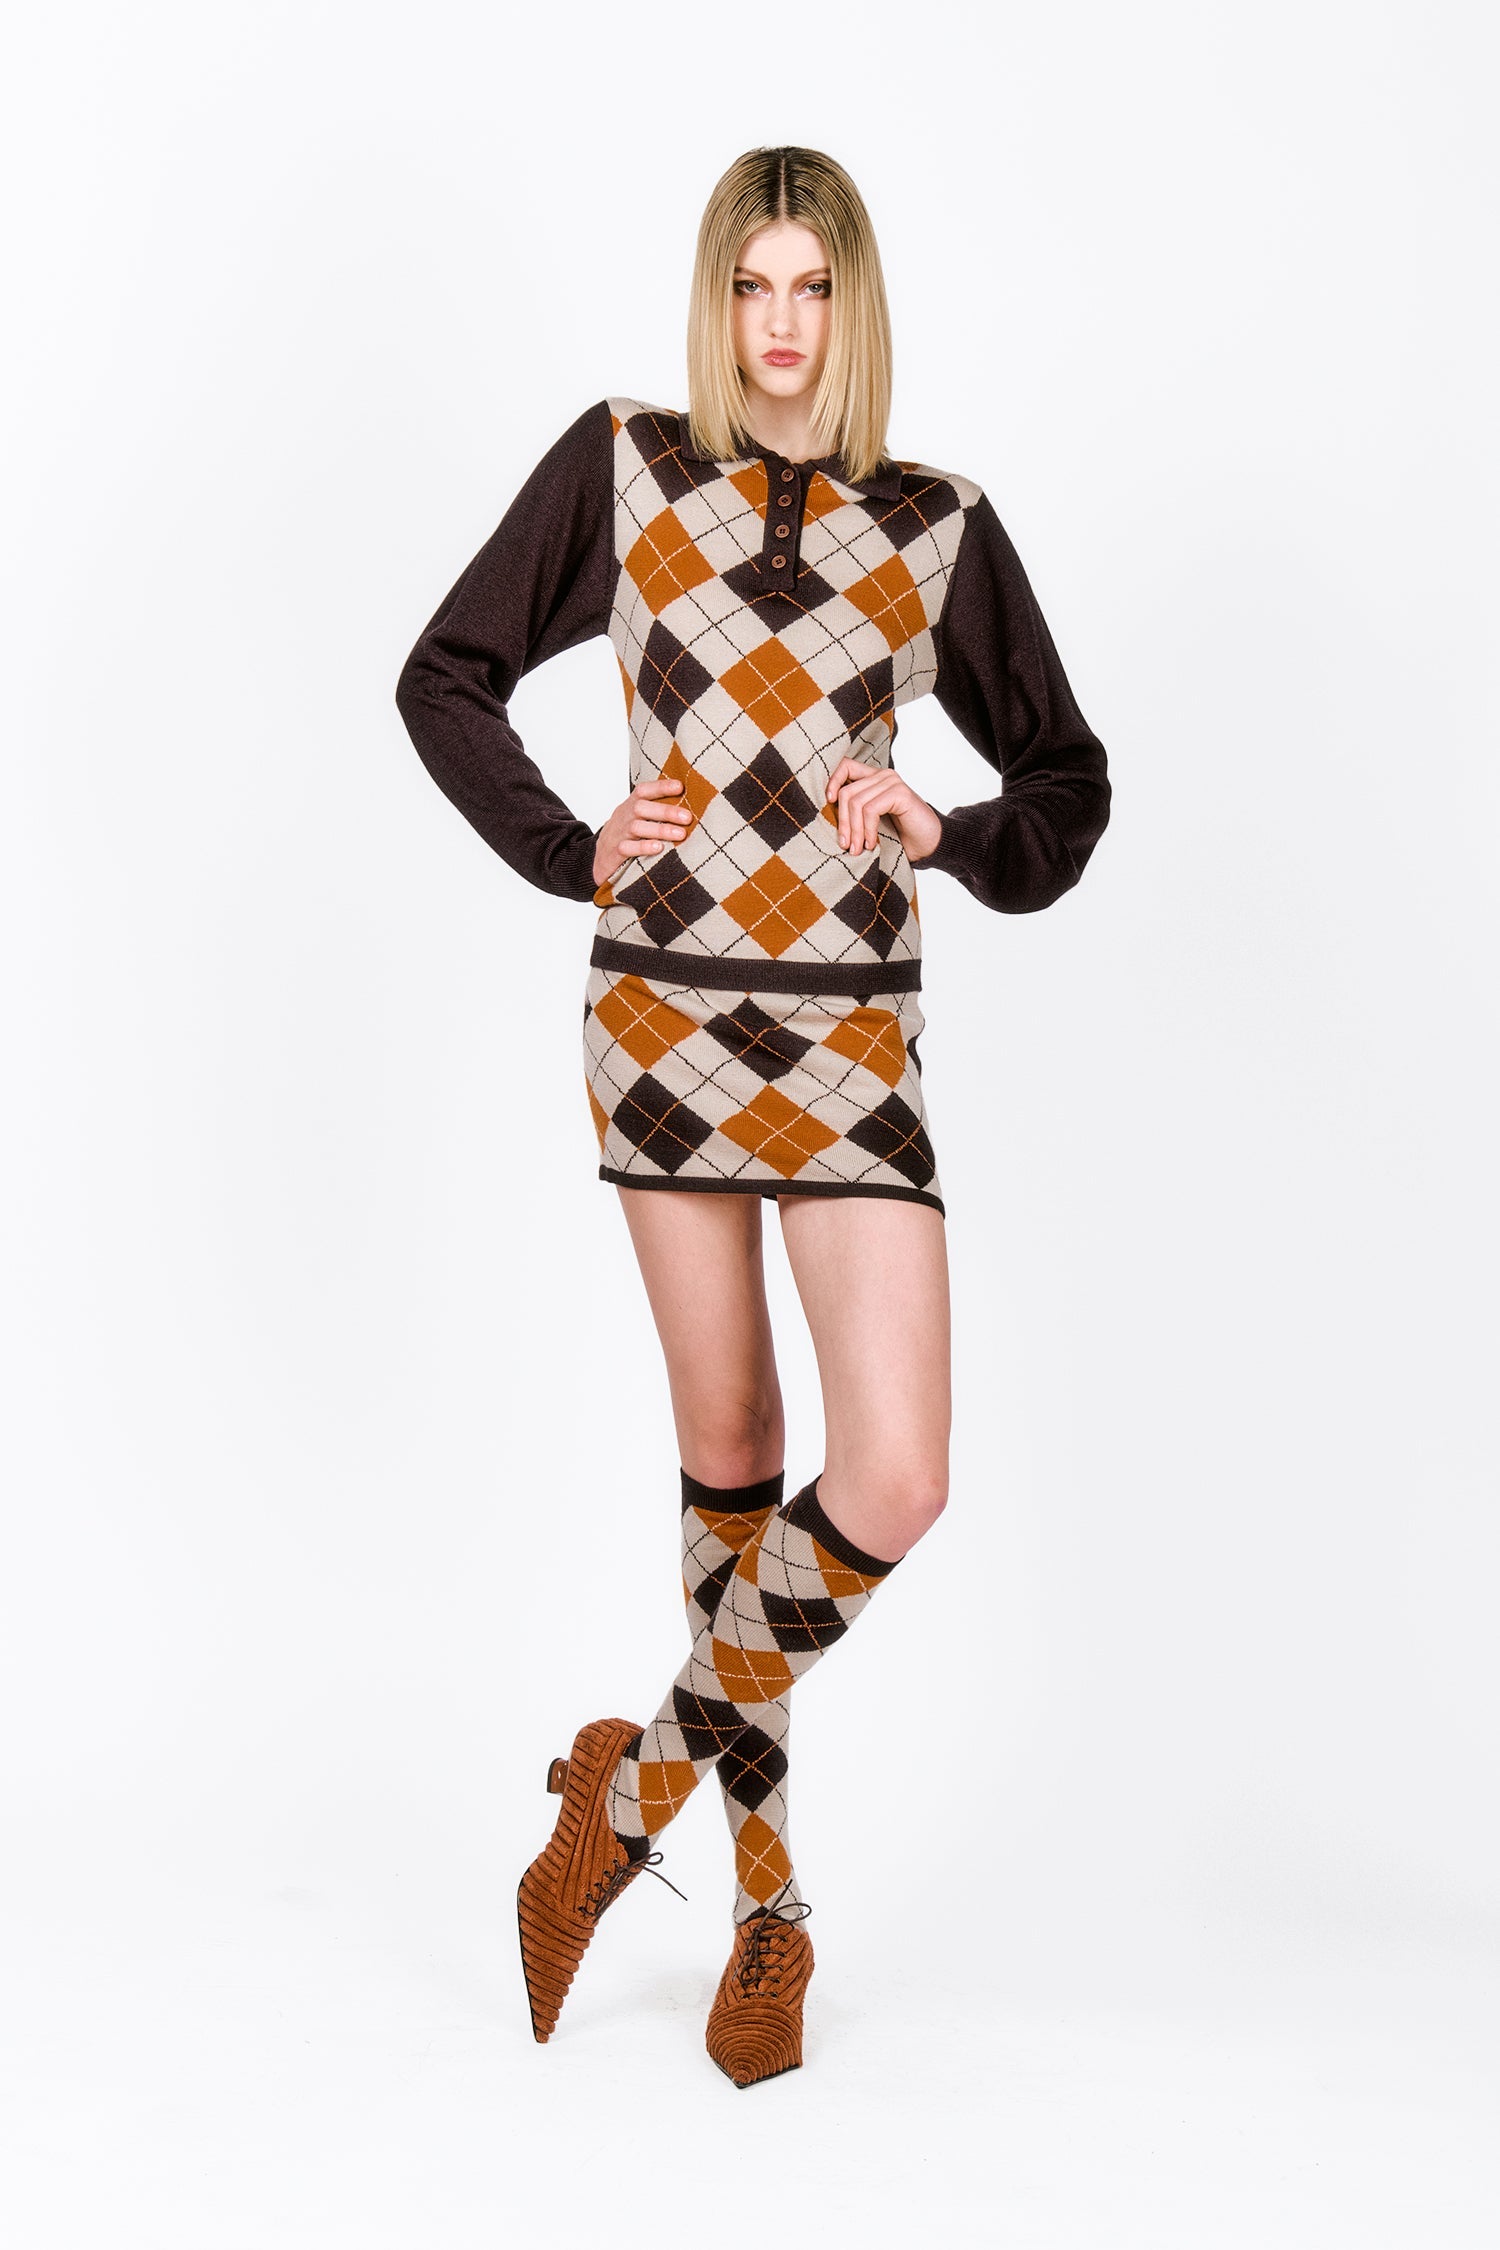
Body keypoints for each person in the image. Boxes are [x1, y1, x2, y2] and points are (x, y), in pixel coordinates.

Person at [394, 144, 1110, 2087]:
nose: (779, 324)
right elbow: (445, 676)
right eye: (748, 285)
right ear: (716, 301)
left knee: (898, 1478)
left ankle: (621, 1799)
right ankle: (772, 1919)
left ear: (851, 305)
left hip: (851, 1042)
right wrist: (567, 843)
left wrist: (944, 826)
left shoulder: (933, 525)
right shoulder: (627, 468)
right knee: (734, 1451)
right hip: (664, 1017)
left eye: (811, 287)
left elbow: (1068, 787)